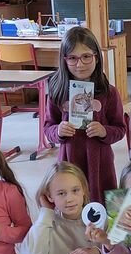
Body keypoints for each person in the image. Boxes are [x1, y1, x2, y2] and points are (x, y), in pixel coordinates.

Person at [44, 26, 126, 203]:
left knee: (101, 205)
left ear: (96, 57)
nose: (80, 64)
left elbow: (120, 129)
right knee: (72, 204)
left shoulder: (109, 92)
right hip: (69, 161)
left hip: (100, 162)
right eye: (72, 58)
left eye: (86, 56)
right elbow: (48, 127)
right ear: (64, 60)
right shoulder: (57, 91)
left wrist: (104, 131)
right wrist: (58, 131)